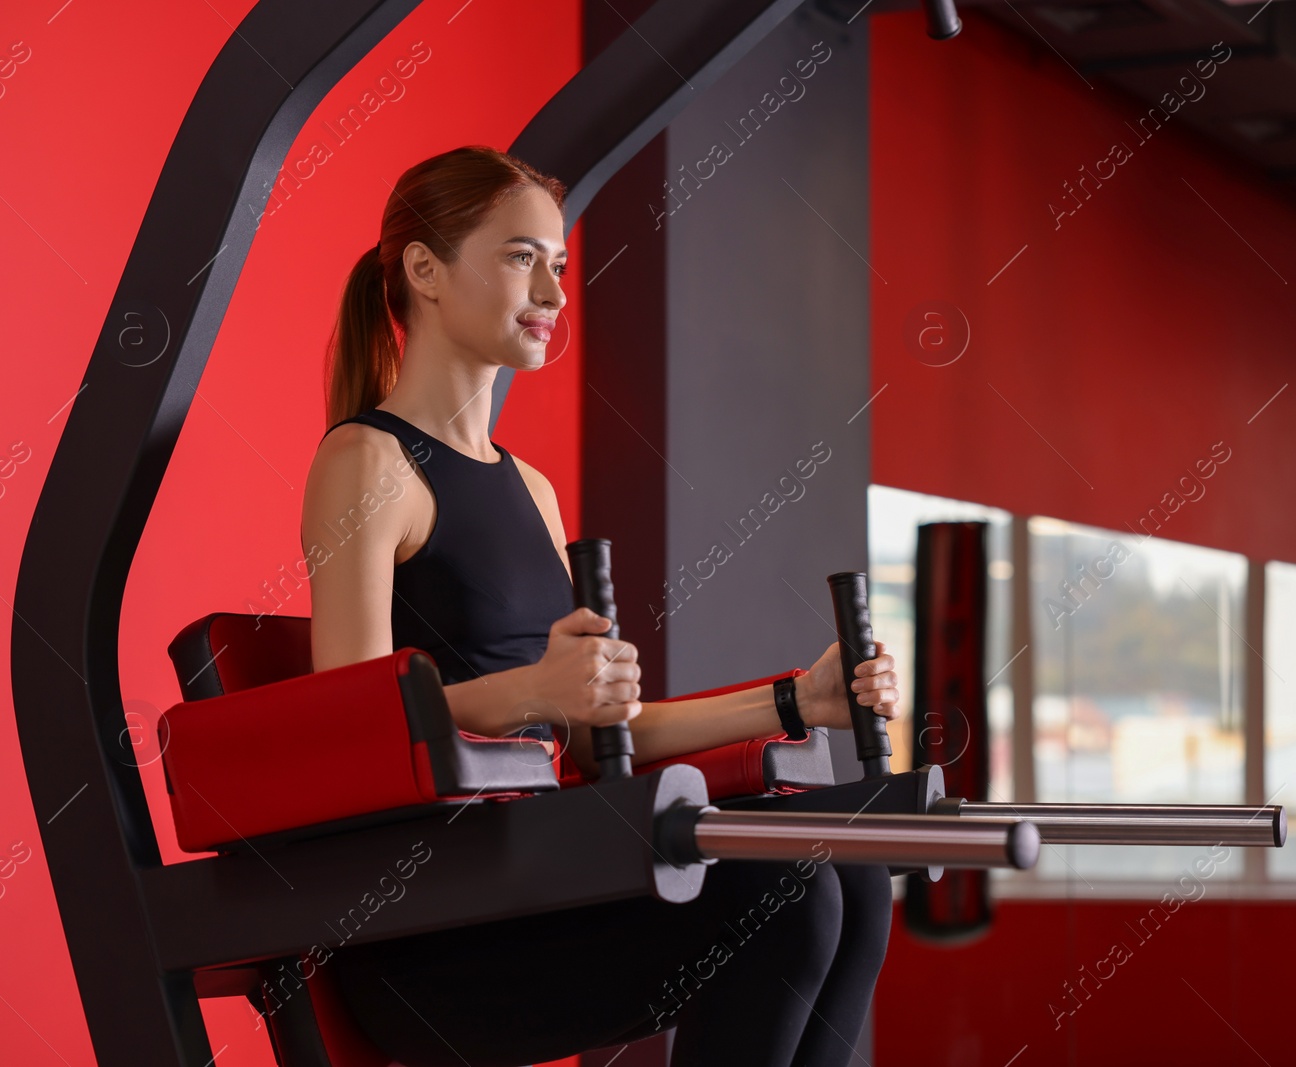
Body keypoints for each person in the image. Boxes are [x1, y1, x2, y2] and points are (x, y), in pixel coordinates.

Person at [308, 145, 900, 1067]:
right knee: (781, 882)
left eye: (558, 263)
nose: (554, 289)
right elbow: (343, 729)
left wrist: (798, 700)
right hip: (434, 932)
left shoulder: (530, 489)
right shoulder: (368, 463)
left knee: (850, 877)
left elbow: (594, 739)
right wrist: (531, 692)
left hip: (537, 875)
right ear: (423, 271)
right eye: (520, 257)